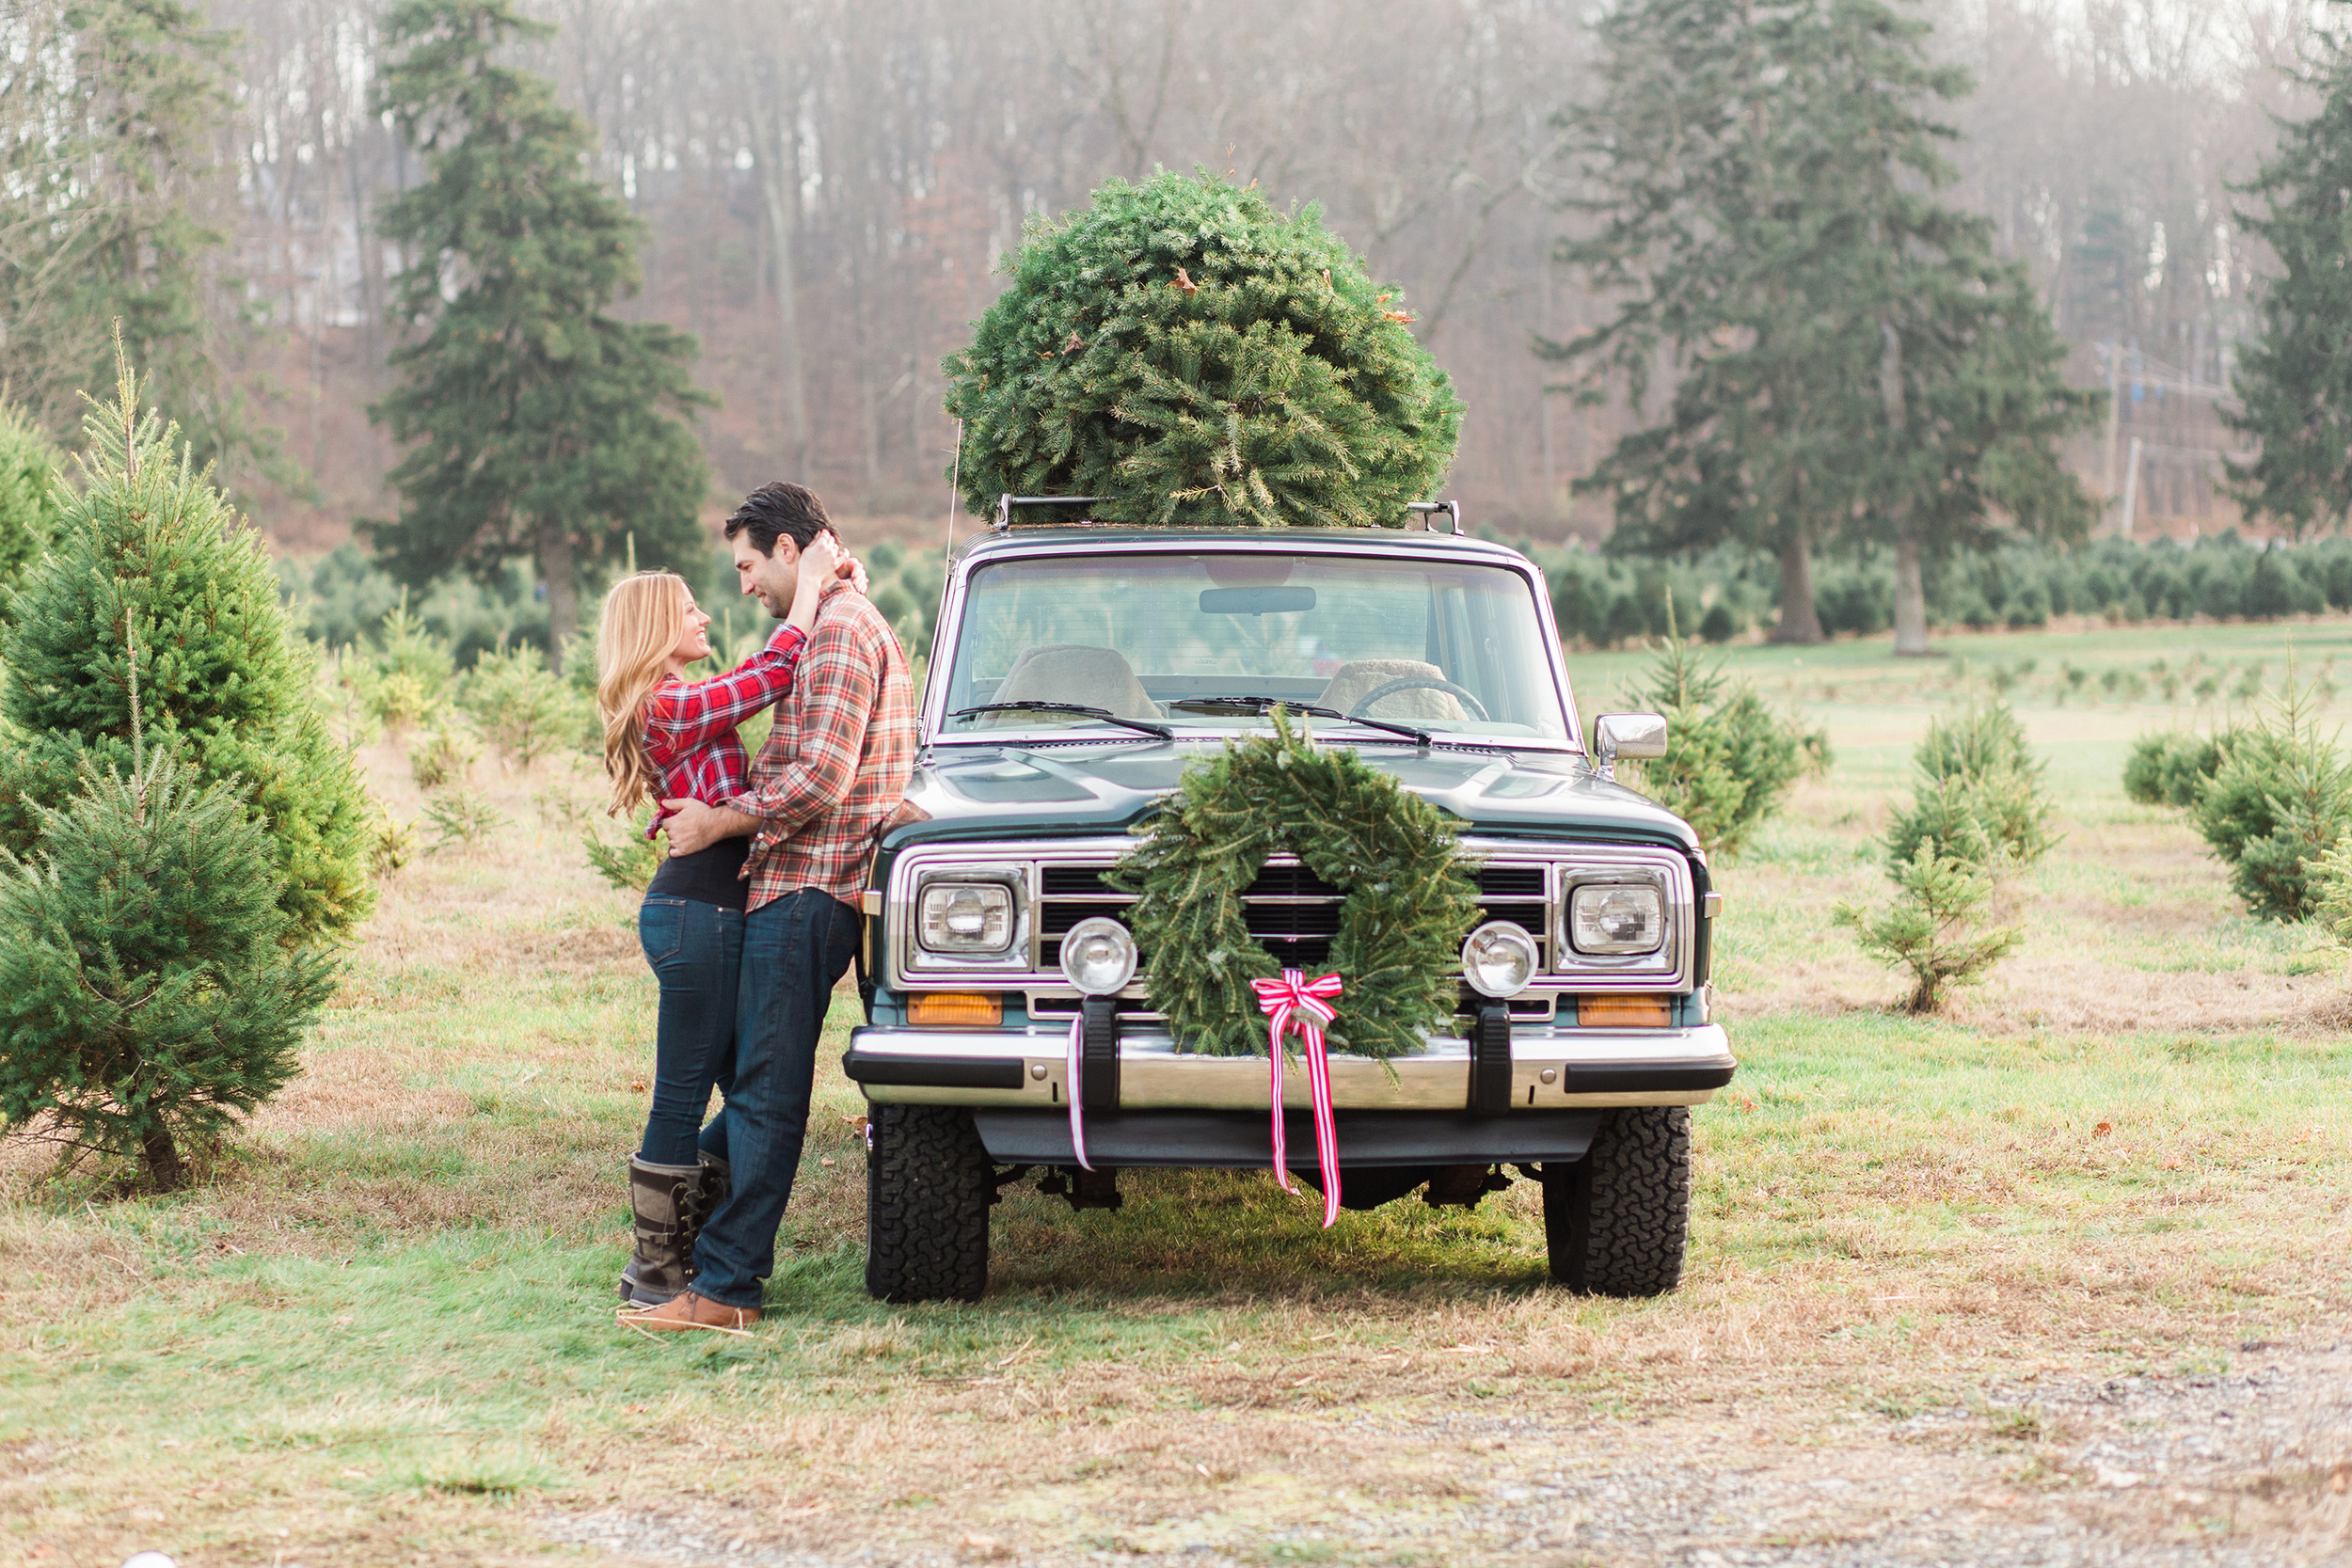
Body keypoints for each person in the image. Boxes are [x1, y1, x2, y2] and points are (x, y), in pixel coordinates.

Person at [620, 481, 916, 1333]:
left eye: (750, 563)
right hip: (797, 882)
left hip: (806, 888)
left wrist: (720, 816)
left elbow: (820, 775)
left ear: (791, 551)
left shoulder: (836, 632)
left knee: (764, 1095)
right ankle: (677, 1250)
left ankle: (725, 1288)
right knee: (755, 1085)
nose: (743, 584)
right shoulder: (838, 622)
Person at [593, 536, 852, 1307]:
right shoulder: (665, 701)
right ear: (653, 628)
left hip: (705, 909)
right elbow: (768, 676)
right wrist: (808, 588)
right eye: (688, 610)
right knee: (680, 1095)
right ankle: (656, 1273)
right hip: (695, 912)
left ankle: (683, 1242)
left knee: (749, 1086)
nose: (706, 614)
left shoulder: (673, 697)